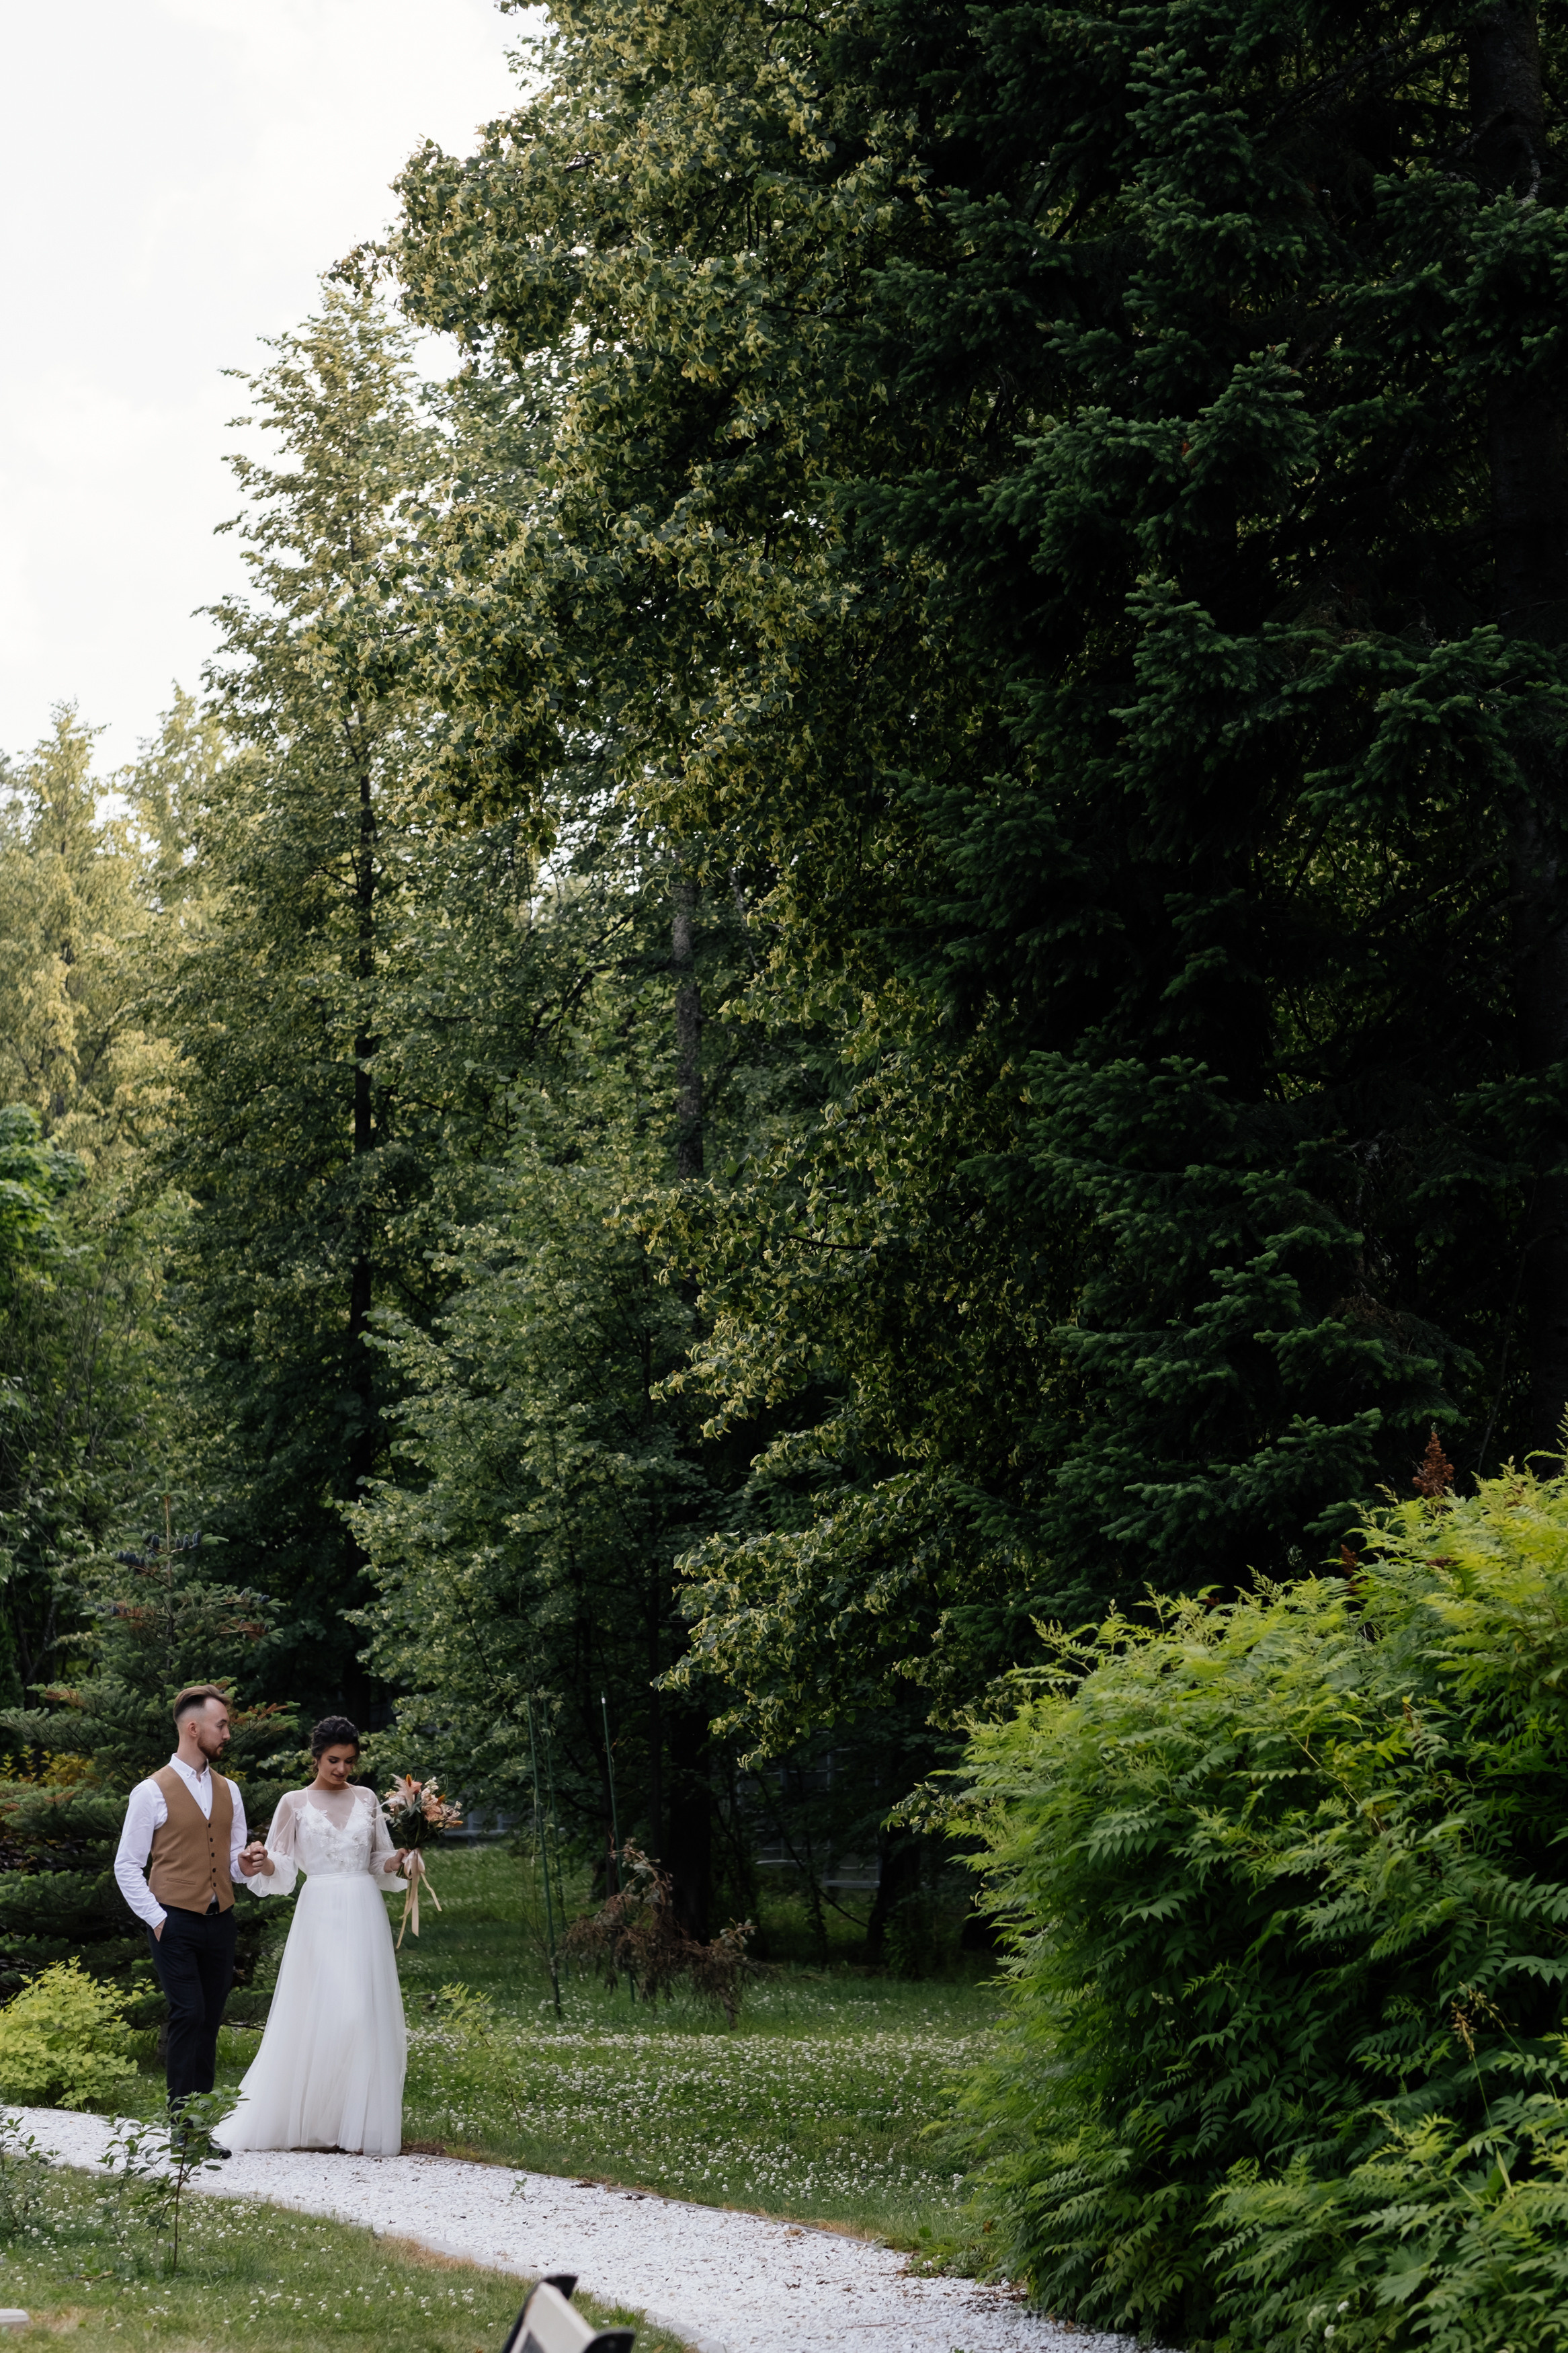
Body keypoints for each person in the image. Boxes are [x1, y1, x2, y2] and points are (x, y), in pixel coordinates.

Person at [222, 1715, 410, 2155]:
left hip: (363, 1908)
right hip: (321, 1909)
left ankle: (353, 2124)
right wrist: (263, 1862)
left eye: (348, 1761)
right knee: (330, 2009)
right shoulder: (294, 1802)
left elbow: (378, 1860)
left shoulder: (366, 1799)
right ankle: (310, 2118)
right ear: (315, 1758)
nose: (341, 1769)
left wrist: (399, 1859)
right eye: (333, 1760)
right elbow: (282, 1867)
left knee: (363, 2013)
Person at [114, 1683, 269, 2137]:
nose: (227, 1734)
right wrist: (158, 1919)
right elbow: (126, 1864)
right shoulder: (151, 1791)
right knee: (189, 2014)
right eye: (221, 1725)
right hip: (173, 1922)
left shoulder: (229, 1790)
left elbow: (235, 1863)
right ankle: (182, 2128)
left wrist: (246, 1864)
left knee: (209, 2020)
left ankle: (199, 2127)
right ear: (193, 1727)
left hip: (220, 1923)